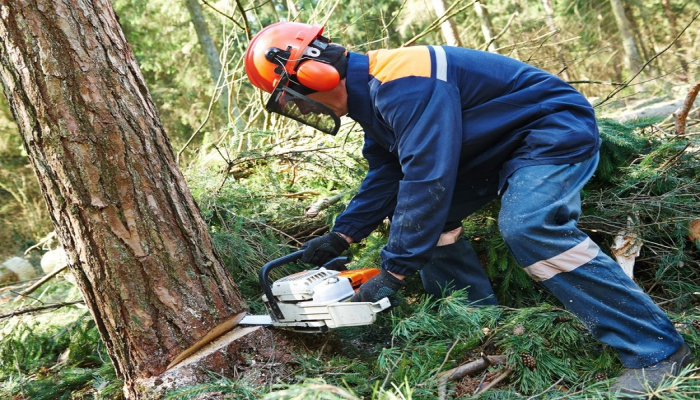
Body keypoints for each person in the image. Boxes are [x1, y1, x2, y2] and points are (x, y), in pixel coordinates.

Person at [243, 21, 692, 394]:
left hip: (549, 131)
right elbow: (388, 173)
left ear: (311, 75)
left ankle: (657, 350)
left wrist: (393, 272)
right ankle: (477, 327)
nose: (298, 104)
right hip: (491, 150)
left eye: (290, 94)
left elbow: (427, 178)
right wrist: (342, 234)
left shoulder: (403, 81)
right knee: (424, 220)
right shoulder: (374, 98)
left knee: (528, 226)